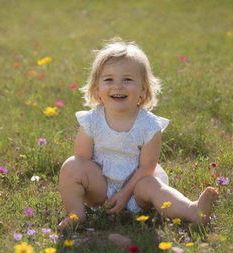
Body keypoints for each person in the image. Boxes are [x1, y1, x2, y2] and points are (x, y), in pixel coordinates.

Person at [58, 38, 218, 230]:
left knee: (153, 186)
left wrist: (125, 193)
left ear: (143, 88)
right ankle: (76, 215)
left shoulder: (149, 125)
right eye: (109, 79)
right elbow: (82, 160)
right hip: (101, 187)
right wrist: (88, 183)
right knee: (71, 165)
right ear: (96, 88)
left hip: (137, 188)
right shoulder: (91, 120)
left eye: (127, 79)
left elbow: (147, 168)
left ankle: (192, 210)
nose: (118, 86)